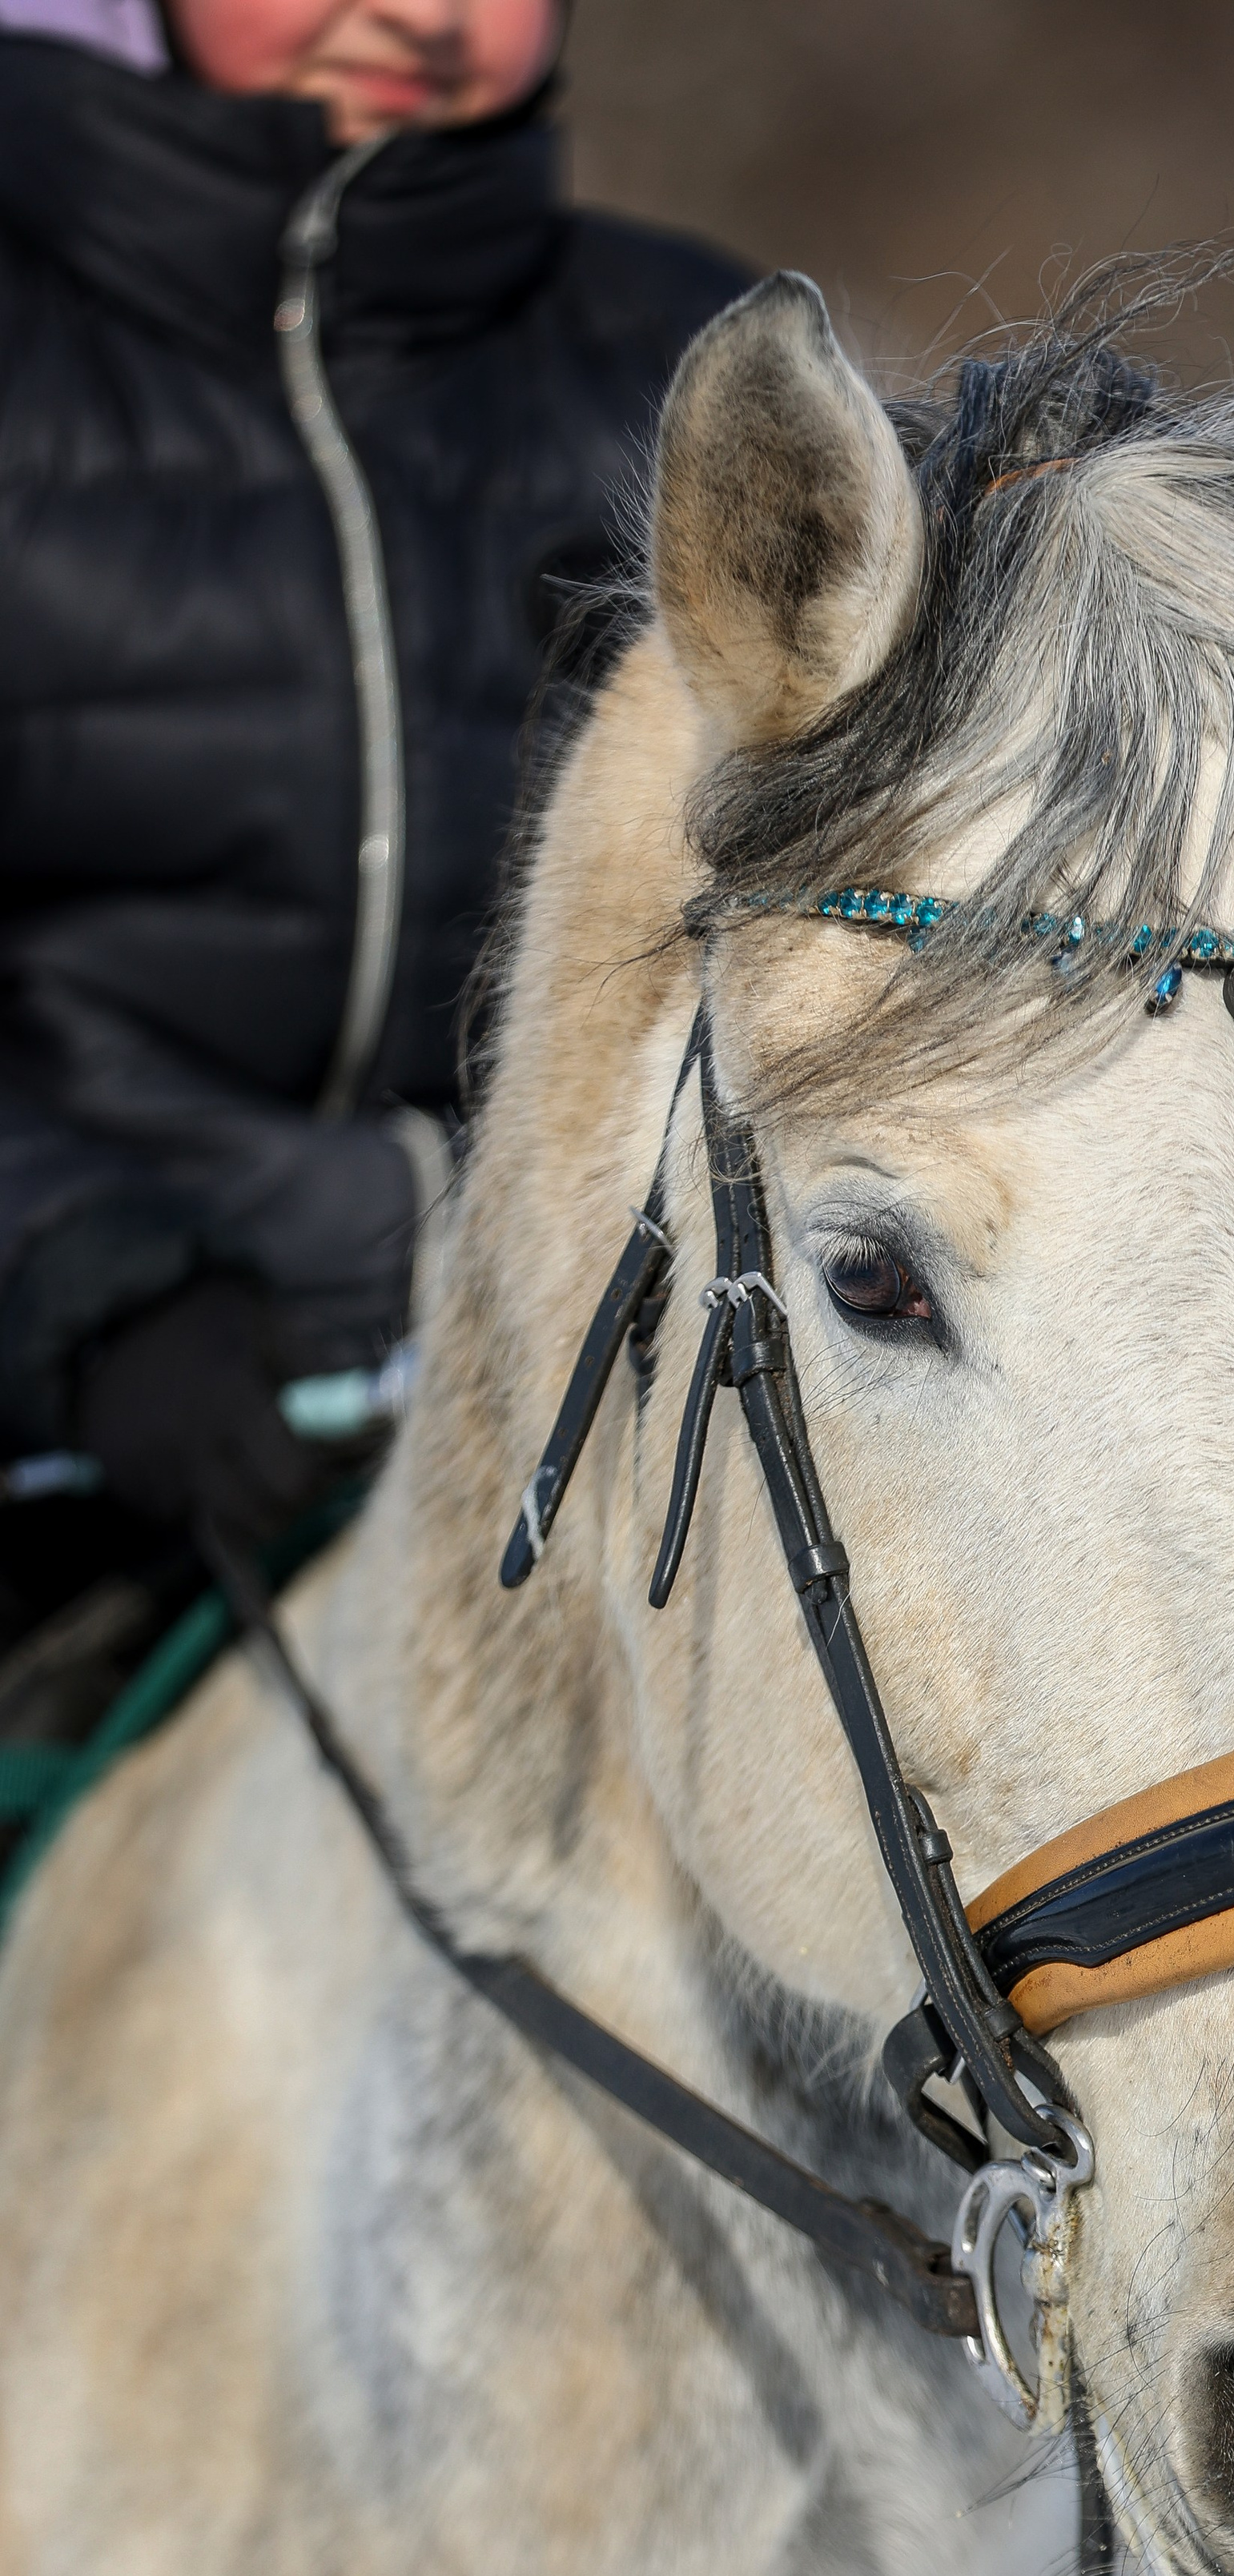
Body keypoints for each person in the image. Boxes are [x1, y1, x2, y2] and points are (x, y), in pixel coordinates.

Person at [0, 0, 748, 1647]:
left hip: (594, 1429)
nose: (414, 16)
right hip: (71, 1451)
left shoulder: (697, 363)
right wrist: (77, 1291)